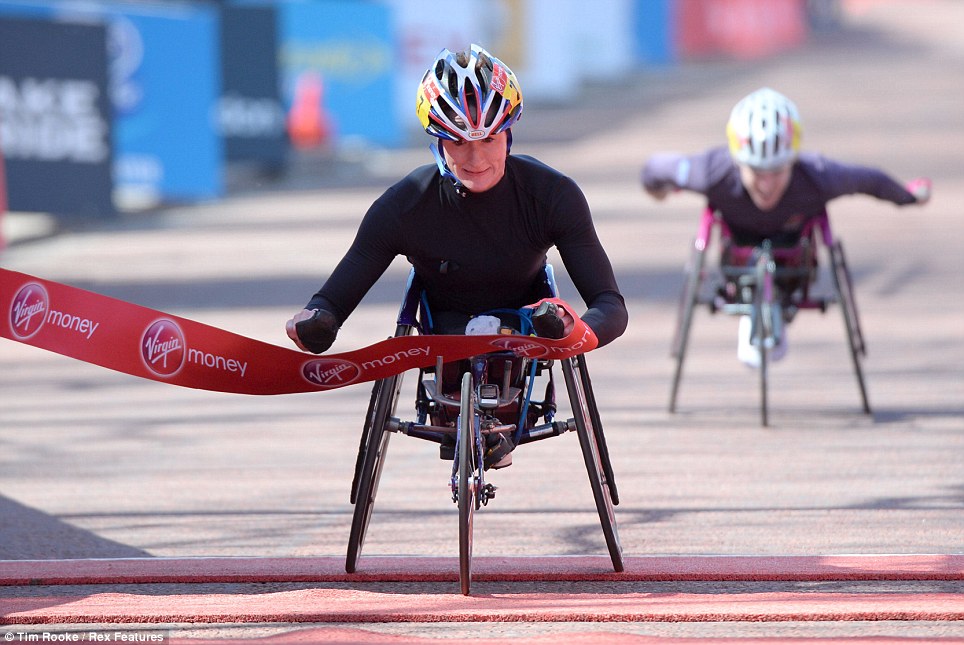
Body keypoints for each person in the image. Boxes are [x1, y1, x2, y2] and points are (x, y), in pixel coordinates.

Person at [286, 44, 628, 463]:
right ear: (436, 140)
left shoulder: (553, 196)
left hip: (525, 328)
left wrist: (577, 330)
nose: (476, 157)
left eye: (488, 138)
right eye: (458, 142)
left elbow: (610, 305)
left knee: (543, 321)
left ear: (509, 133)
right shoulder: (404, 205)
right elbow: (332, 302)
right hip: (440, 334)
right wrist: (316, 321)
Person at [641, 87, 930, 365]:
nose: (766, 184)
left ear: (792, 160)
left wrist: (907, 196)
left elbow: (869, 180)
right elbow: (655, 168)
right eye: (756, 171)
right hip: (736, 253)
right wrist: (659, 190)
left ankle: (779, 302)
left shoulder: (818, 175)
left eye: (777, 171)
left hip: (795, 257)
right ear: (738, 161)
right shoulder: (710, 171)